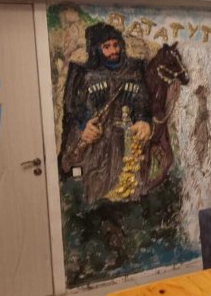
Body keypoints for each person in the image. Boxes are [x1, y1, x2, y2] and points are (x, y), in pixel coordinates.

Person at [60, 22, 152, 204]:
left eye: (116, 45)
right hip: (95, 153)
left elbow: (144, 106)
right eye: (106, 46)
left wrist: (144, 121)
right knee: (95, 198)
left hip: (126, 149)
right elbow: (71, 113)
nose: (113, 51)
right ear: (96, 49)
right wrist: (83, 129)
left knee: (128, 197)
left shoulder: (134, 71)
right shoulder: (83, 75)